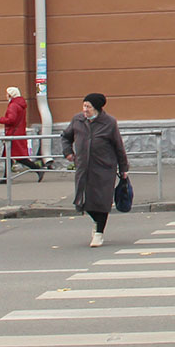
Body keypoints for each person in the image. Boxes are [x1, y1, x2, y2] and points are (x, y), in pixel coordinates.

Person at [61, 93, 129, 248]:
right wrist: (68, 152)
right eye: (84, 106)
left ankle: (99, 233)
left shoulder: (109, 122)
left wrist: (124, 168)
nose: (85, 109)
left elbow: (119, 147)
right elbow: (66, 137)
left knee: (102, 201)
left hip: (104, 168)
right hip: (83, 168)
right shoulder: (77, 120)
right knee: (83, 200)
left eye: (88, 107)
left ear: (97, 108)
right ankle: (96, 221)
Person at [0, 86, 44, 183]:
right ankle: (6, 177)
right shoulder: (20, 104)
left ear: (11, 95)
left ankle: (37, 169)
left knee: (18, 157)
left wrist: (1, 119)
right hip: (18, 133)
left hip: (13, 135)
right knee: (10, 157)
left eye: (7, 94)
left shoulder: (13, 105)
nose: (6, 96)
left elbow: (11, 119)